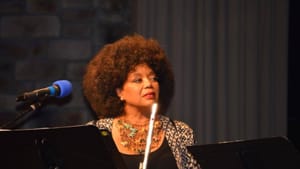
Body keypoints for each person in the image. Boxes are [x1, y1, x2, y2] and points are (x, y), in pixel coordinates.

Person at [82, 34, 201, 169]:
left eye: (153, 78)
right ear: (119, 91)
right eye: (138, 80)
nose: (149, 84)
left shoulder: (180, 132)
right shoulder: (96, 133)